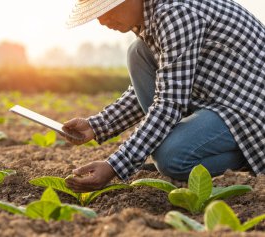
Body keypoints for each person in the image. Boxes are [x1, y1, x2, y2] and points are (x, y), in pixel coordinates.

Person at [62, 0, 265, 193]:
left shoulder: (175, 13)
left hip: (248, 110)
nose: (102, 20)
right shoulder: (152, 19)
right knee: (138, 53)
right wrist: (97, 125)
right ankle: (190, 151)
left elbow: (169, 103)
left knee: (170, 158)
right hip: (218, 100)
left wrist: (114, 166)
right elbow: (164, 84)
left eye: (106, 7)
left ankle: (247, 157)